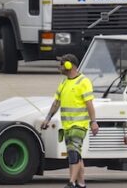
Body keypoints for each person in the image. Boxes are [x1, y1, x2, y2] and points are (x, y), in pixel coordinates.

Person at [40, 54, 98, 188]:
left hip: (79, 125)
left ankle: (71, 182)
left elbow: (89, 104)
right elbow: (56, 103)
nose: (59, 67)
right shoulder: (64, 82)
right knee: (76, 155)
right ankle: (81, 183)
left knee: (73, 153)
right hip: (67, 126)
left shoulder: (83, 81)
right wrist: (47, 119)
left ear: (69, 65)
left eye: (62, 64)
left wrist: (93, 122)